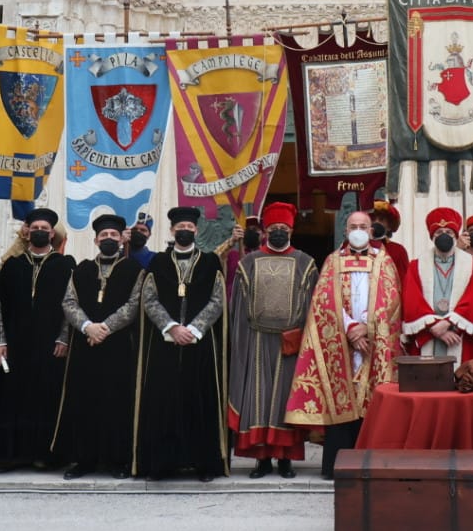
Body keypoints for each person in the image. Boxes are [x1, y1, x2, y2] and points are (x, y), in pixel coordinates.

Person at [286, 208, 403, 479]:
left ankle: (370, 464)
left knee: (371, 400)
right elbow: (324, 301)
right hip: (341, 341)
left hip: (372, 342)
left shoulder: (383, 261)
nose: (359, 230)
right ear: (346, 231)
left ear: (371, 231)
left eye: (364, 225)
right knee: (342, 397)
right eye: (354, 226)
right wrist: (351, 328)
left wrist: (368, 328)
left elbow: (392, 301)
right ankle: (337, 466)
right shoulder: (332, 261)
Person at [131, 206, 229, 481]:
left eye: (189, 228)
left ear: (196, 230)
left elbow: (218, 299)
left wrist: (195, 329)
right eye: (179, 228)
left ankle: (203, 464)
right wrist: (172, 327)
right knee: (164, 403)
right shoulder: (158, 263)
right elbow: (148, 299)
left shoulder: (210, 262)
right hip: (164, 344)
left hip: (200, 344)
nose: (184, 231)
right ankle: (163, 464)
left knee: (200, 401)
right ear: (172, 231)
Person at [227, 202, 317, 478]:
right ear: (266, 231)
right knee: (259, 399)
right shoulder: (248, 262)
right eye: (274, 228)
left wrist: (303, 338)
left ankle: (286, 459)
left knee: (284, 402)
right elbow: (238, 306)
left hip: (291, 341)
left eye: (284, 228)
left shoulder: (306, 262)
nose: (279, 232)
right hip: (256, 339)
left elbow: (313, 304)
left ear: (292, 229)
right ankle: (262, 459)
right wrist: (240, 341)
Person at [54, 213, 144, 480]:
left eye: (113, 236)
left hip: (118, 348)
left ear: (120, 240)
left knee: (117, 403)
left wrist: (104, 328)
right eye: (103, 236)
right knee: (85, 402)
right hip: (86, 348)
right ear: (95, 240)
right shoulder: (81, 269)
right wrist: (87, 327)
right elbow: (69, 303)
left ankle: (118, 460)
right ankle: (84, 460)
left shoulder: (134, 270)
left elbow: (134, 304)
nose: (108, 239)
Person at [0, 208, 74, 470]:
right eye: (35, 227)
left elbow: (70, 305)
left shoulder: (65, 265)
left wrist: (64, 338)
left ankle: (45, 455)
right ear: (27, 232)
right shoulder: (12, 265)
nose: (39, 232)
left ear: (52, 234)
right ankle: (11, 456)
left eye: (44, 229)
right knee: (12, 396)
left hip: (50, 345)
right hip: (15, 344)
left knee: (45, 397)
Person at [401, 207, 473, 364]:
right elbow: (412, 300)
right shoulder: (416, 266)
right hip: (427, 333)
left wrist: (448, 323)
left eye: (449, 233)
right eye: (439, 233)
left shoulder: (472, 265)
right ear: (432, 237)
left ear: (456, 236)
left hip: (458, 334)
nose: (444, 236)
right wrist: (434, 327)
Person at [369, 200, 410, 282]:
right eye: (373, 219)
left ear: (389, 226)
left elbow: (405, 282)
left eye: (381, 220)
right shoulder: (356, 248)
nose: (376, 222)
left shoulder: (398, 251)